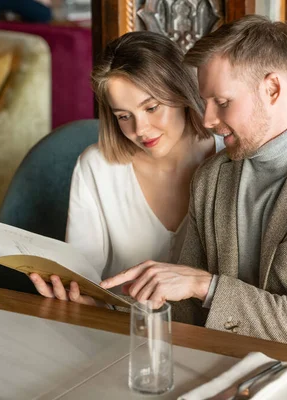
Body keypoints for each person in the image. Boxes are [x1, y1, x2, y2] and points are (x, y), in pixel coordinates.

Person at [101, 15, 287, 364]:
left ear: (272, 89)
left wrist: (207, 286)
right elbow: (184, 312)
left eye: (222, 102)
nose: (208, 119)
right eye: (206, 101)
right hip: (230, 368)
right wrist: (111, 307)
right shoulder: (212, 176)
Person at [30, 31, 224, 305]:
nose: (140, 129)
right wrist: (84, 301)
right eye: (123, 116)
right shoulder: (96, 167)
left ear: (181, 92)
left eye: (152, 107)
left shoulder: (229, 160)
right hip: (120, 329)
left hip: (206, 336)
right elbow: (85, 276)